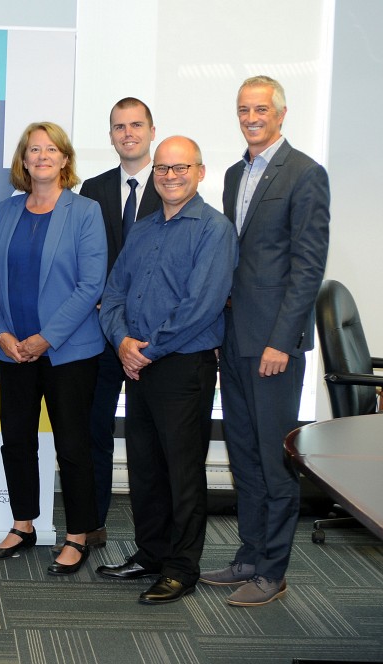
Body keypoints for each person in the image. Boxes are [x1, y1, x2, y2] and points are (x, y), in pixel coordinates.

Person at [200, 75, 330, 606]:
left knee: (276, 464)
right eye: (243, 110)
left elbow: (307, 266)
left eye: (260, 109)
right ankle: (248, 557)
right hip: (233, 338)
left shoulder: (305, 173)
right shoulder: (235, 173)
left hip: (272, 345)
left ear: (280, 113)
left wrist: (282, 340)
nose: (251, 118)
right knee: (245, 455)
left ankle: (272, 572)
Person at [98, 136, 237, 604]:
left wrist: (147, 349)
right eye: (163, 169)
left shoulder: (214, 229)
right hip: (138, 365)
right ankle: (151, 554)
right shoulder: (142, 230)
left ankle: (182, 568)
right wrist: (121, 341)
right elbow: (113, 292)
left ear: (200, 172)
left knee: (182, 473)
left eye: (181, 168)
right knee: (145, 468)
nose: (171, 176)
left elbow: (202, 305)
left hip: (182, 367)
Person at [0, 122, 107, 574]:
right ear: (24, 160)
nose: (43, 156)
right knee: (16, 440)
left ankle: (77, 535)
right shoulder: (6, 212)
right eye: (34, 150)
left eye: (52, 149)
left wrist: (45, 338)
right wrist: (2, 334)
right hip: (12, 350)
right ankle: (23, 524)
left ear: (65, 159)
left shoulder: (85, 212)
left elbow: (92, 285)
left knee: (72, 445)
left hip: (69, 351)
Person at [78, 98, 162, 545]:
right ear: (110, 135)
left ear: (151, 131)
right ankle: (91, 524)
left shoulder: (172, 185)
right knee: (96, 431)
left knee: (150, 441)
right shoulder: (93, 188)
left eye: (135, 125)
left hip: (153, 340)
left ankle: (154, 538)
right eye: (118, 126)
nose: (127, 133)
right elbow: (85, 257)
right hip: (101, 332)